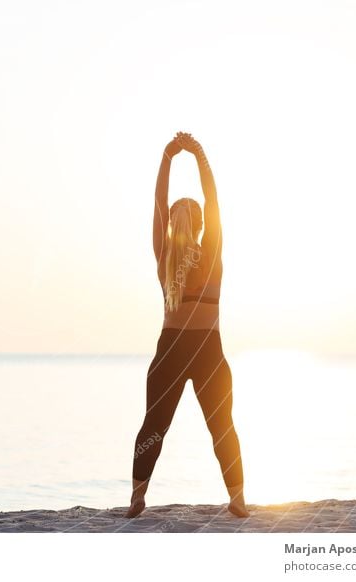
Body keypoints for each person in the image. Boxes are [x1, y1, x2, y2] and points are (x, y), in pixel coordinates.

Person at [125, 132, 249, 519]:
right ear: (198, 225)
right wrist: (199, 156)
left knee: (154, 427)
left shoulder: (164, 255)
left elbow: (158, 204)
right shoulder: (211, 254)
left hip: (171, 349)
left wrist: (167, 156)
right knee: (221, 428)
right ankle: (238, 499)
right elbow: (214, 203)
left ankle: (137, 498)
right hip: (207, 350)